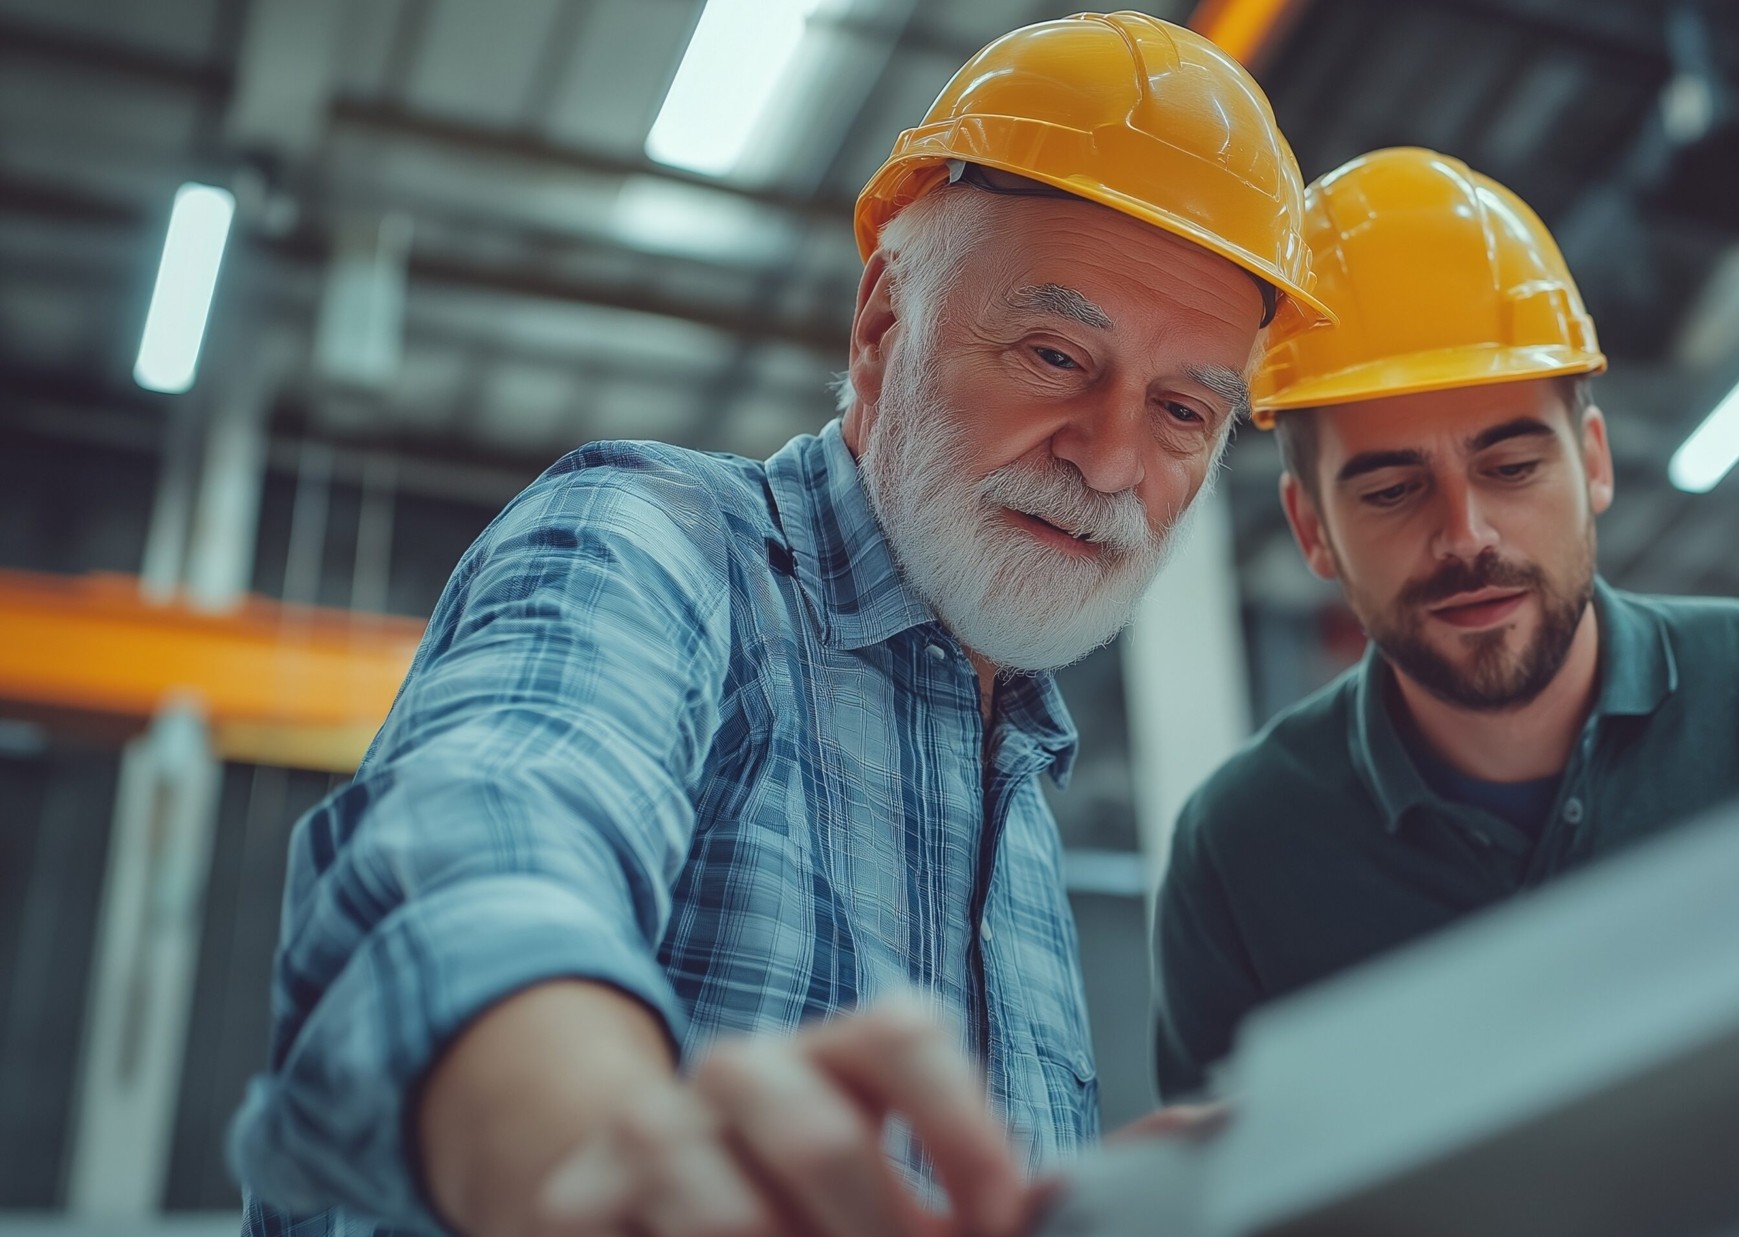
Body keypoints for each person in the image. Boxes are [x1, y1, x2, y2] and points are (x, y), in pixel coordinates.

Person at [227, 14, 1332, 1237]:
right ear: (879, 331)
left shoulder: (1014, 776)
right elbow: (483, 850)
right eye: (1054, 352)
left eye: (1182, 410)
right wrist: (583, 1146)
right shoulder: (657, 542)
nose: (1113, 457)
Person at [1152, 148, 1739, 1100]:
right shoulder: (1243, 859)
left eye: (1512, 468)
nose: (1465, 535)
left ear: (1593, 461)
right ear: (1312, 528)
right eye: (1392, 490)